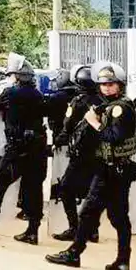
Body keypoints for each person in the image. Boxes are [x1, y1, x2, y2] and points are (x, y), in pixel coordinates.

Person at [45, 62, 136, 270]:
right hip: (116, 170)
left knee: (90, 213)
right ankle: (122, 261)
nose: (106, 88)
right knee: (118, 217)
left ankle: (75, 253)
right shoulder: (116, 105)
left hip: (111, 171)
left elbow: (113, 138)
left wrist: (93, 122)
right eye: (103, 84)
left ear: (120, 85)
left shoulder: (120, 108)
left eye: (111, 84)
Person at [0, 53, 47, 244]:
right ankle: (32, 232)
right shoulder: (38, 94)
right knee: (34, 189)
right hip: (37, 147)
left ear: (17, 76)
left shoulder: (11, 93)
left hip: (17, 148)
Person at [51, 64, 102, 242]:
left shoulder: (77, 102)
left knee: (66, 189)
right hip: (100, 154)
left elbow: (68, 126)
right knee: (92, 192)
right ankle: (93, 230)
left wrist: (57, 141)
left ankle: (75, 227)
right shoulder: (103, 102)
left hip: (81, 153)